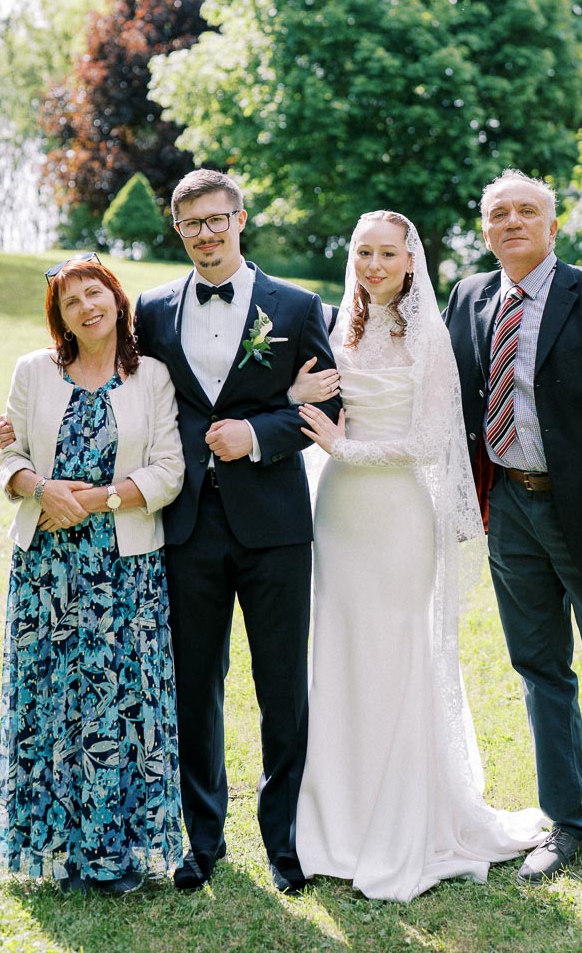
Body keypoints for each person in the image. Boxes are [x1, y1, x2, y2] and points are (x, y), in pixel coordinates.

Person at [293, 210, 547, 902]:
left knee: (397, 649)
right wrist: (298, 402)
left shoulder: (429, 333)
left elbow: (434, 439)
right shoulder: (332, 326)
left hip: (397, 513)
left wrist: (345, 448)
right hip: (340, 511)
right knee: (341, 650)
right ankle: (334, 818)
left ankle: (405, 816)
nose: (373, 265)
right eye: (362, 252)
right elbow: (302, 397)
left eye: (386, 254)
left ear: (410, 261)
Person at [444, 169, 582, 903]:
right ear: (485, 230)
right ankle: (569, 823)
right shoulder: (471, 297)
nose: (512, 222)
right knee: (540, 670)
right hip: (510, 512)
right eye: (498, 213)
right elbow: (450, 398)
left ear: (552, 224)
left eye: (527, 211)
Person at [133, 169, 342, 895]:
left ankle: (285, 843)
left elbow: (329, 413)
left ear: (240, 218)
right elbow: (131, 396)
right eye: (191, 225)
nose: (207, 234)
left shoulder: (295, 303)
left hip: (277, 526)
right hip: (186, 524)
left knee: (282, 685)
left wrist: (255, 433)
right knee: (196, 686)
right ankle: (203, 840)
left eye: (217, 219)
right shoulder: (152, 310)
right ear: (178, 231)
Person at [0, 256, 185, 894]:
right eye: (70, 300)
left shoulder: (151, 377)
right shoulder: (33, 372)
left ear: (115, 298)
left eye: (94, 292)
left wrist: (95, 499)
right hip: (46, 569)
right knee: (52, 702)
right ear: (60, 316)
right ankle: (56, 850)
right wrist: (40, 489)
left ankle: (117, 854)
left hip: (123, 570)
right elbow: (8, 455)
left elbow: (168, 470)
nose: (85, 306)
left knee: (117, 704)